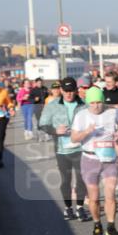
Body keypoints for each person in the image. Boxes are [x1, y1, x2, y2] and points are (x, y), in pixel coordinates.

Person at [70, 87, 118, 235]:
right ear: (88, 102)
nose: (96, 105)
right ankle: (97, 225)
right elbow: (74, 138)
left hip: (109, 159)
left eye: (99, 102)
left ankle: (112, 228)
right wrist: (87, 131)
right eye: (92, 102)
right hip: (90, 159)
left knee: (111, 195)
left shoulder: (113, 112)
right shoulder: (81, 116)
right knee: (94, 198)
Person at [38, 77, 89, 219]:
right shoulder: (52, 105)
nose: (68, 94)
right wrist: (55, 131)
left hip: (81, 148)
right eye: (66, 91)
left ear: (76, 90)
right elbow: (42, 124)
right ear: (61, 90)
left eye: (71, 90)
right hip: (62, 150)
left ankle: (80, 208)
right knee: (66, 179)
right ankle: (68, 208)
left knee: (81, 179)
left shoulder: (84, 105)